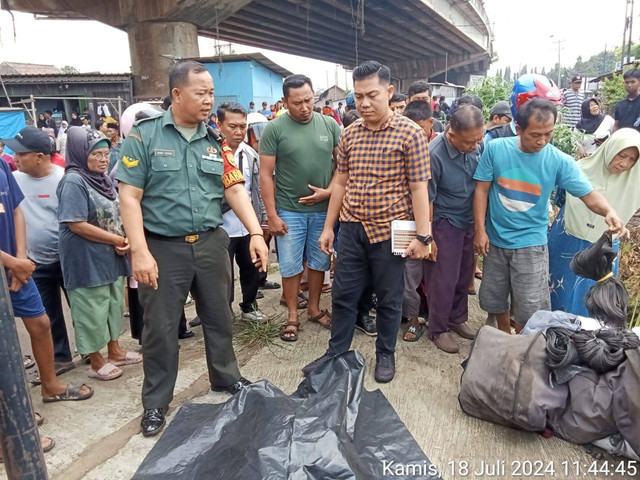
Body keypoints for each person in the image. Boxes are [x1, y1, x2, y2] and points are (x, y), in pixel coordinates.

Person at [117, 60, 268, 437]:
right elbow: (129, 197)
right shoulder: (145, 136)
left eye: (211, 94)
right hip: (162, 248)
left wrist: (255, 233)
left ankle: (225, 378)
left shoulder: (215, 140)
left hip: (210, 243)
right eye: (201, 93)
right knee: (161, 329)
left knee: (220, 316)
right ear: (177, 94)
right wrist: (140, 250)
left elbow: (234, 188)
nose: (208, 101)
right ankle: (155, 402)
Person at [302, 60, 432, 383]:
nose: (364, 103)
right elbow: (341, 183)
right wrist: (329, 227)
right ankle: (336, 353)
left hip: (393, 231)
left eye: (371, 95)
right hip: (353, 229)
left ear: (388, 92)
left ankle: (385, 354)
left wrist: (424, 237)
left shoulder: (411, 134)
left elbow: (419, 188)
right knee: (344, 294)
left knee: (389, 297)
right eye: (358, 96)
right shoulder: (349, 135)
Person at [473, 98, 624, 334]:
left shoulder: (557, 160)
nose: (542, 141)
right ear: (519, 128)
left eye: (548, 133)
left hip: (531, 244)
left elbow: (589, 194)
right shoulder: (496, 149)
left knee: (529, 306)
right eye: (535, 134)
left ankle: (522, 344)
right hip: (495, 240)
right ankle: (502, 336)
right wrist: (480, 231)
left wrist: (608, 211)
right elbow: (481, 189)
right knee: (495, 297)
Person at [1, 127, 94, 404]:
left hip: (20, 266)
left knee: (41, 323)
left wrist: (19, 257)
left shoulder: (3, 170)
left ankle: (51, 385)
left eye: (20, 152)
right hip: (17, 264)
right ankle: (11, 416)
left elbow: (16, 210)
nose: (13, 156)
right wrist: (15, 261)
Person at [259, 74, 341, 342]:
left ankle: (315, 309)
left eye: (308, 100)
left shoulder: (329, 125)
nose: (305, 107)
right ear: (285, 102)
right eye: (297, 103)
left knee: (320, 262)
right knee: (291, 265)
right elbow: (265, 174)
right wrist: (271, 215)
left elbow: (344, 165)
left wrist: (329, 192)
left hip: (323, 210)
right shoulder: (275, 129)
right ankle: (293, 314)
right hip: (289, 210)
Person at [57, 127, 139, 381]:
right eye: (97, 155)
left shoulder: (102, 180)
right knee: (90, 309)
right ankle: (95, 360)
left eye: (106, 154)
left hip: (110, 257)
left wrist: (124, 238)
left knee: (113, 305)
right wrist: (117, 238)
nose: (104, 160)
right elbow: (76, 223)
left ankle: (114, 351)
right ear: (81, 155)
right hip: (86, 260)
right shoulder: (73, 181)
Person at [549, 128, 640, 316]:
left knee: (591, 299)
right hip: (567, 238)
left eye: (632, 160)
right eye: (621, 155)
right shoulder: (579, 168)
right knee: (556, 290)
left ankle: (582, 341)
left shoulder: (636, 184)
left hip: (602, 249)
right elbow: (560, 199)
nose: (625, 164)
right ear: (610, 149)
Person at [11, 127, 74, 374]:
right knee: (48, 314)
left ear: (40, 156)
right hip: (34, 260)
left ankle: (94, 352)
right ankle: (60, 358)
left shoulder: (64, 179)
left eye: (20, 153)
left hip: (68, 258)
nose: (15, 158)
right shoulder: (13, 180)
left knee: (81, 308)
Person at [422, 106, 484, 353]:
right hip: (443, 221)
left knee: (464, 273)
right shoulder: (433, 154)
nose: (475, 145)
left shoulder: (477, 145)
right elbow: (426, 198)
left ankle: (457, 318)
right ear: (451, 134)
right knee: (442, 278)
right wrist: (429, 237)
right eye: (470, 142)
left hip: (468, 217)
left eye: (479, 139)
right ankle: (437, 328)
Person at [217, 102, 268, 321]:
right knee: (222, 273)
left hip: (248, 224)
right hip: (220, 225)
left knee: (251, 267)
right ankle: (222, 309)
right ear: (219, 125)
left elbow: (257, 189)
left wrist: (261, 221)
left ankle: (249, 305)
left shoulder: (251, 154)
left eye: (242, 126)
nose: (238, 132)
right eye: (232, 126)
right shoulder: (211, 153)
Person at [400, 99, 437, 342]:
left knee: (419, 275)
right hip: (400, 223)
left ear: (429, 124)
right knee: (404, 275)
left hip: (424, 224)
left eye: (419, 129)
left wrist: (428, 233)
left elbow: (428, 196)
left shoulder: (432, 150)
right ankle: (407, 317)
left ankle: (422, 319)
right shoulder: (399, 145)